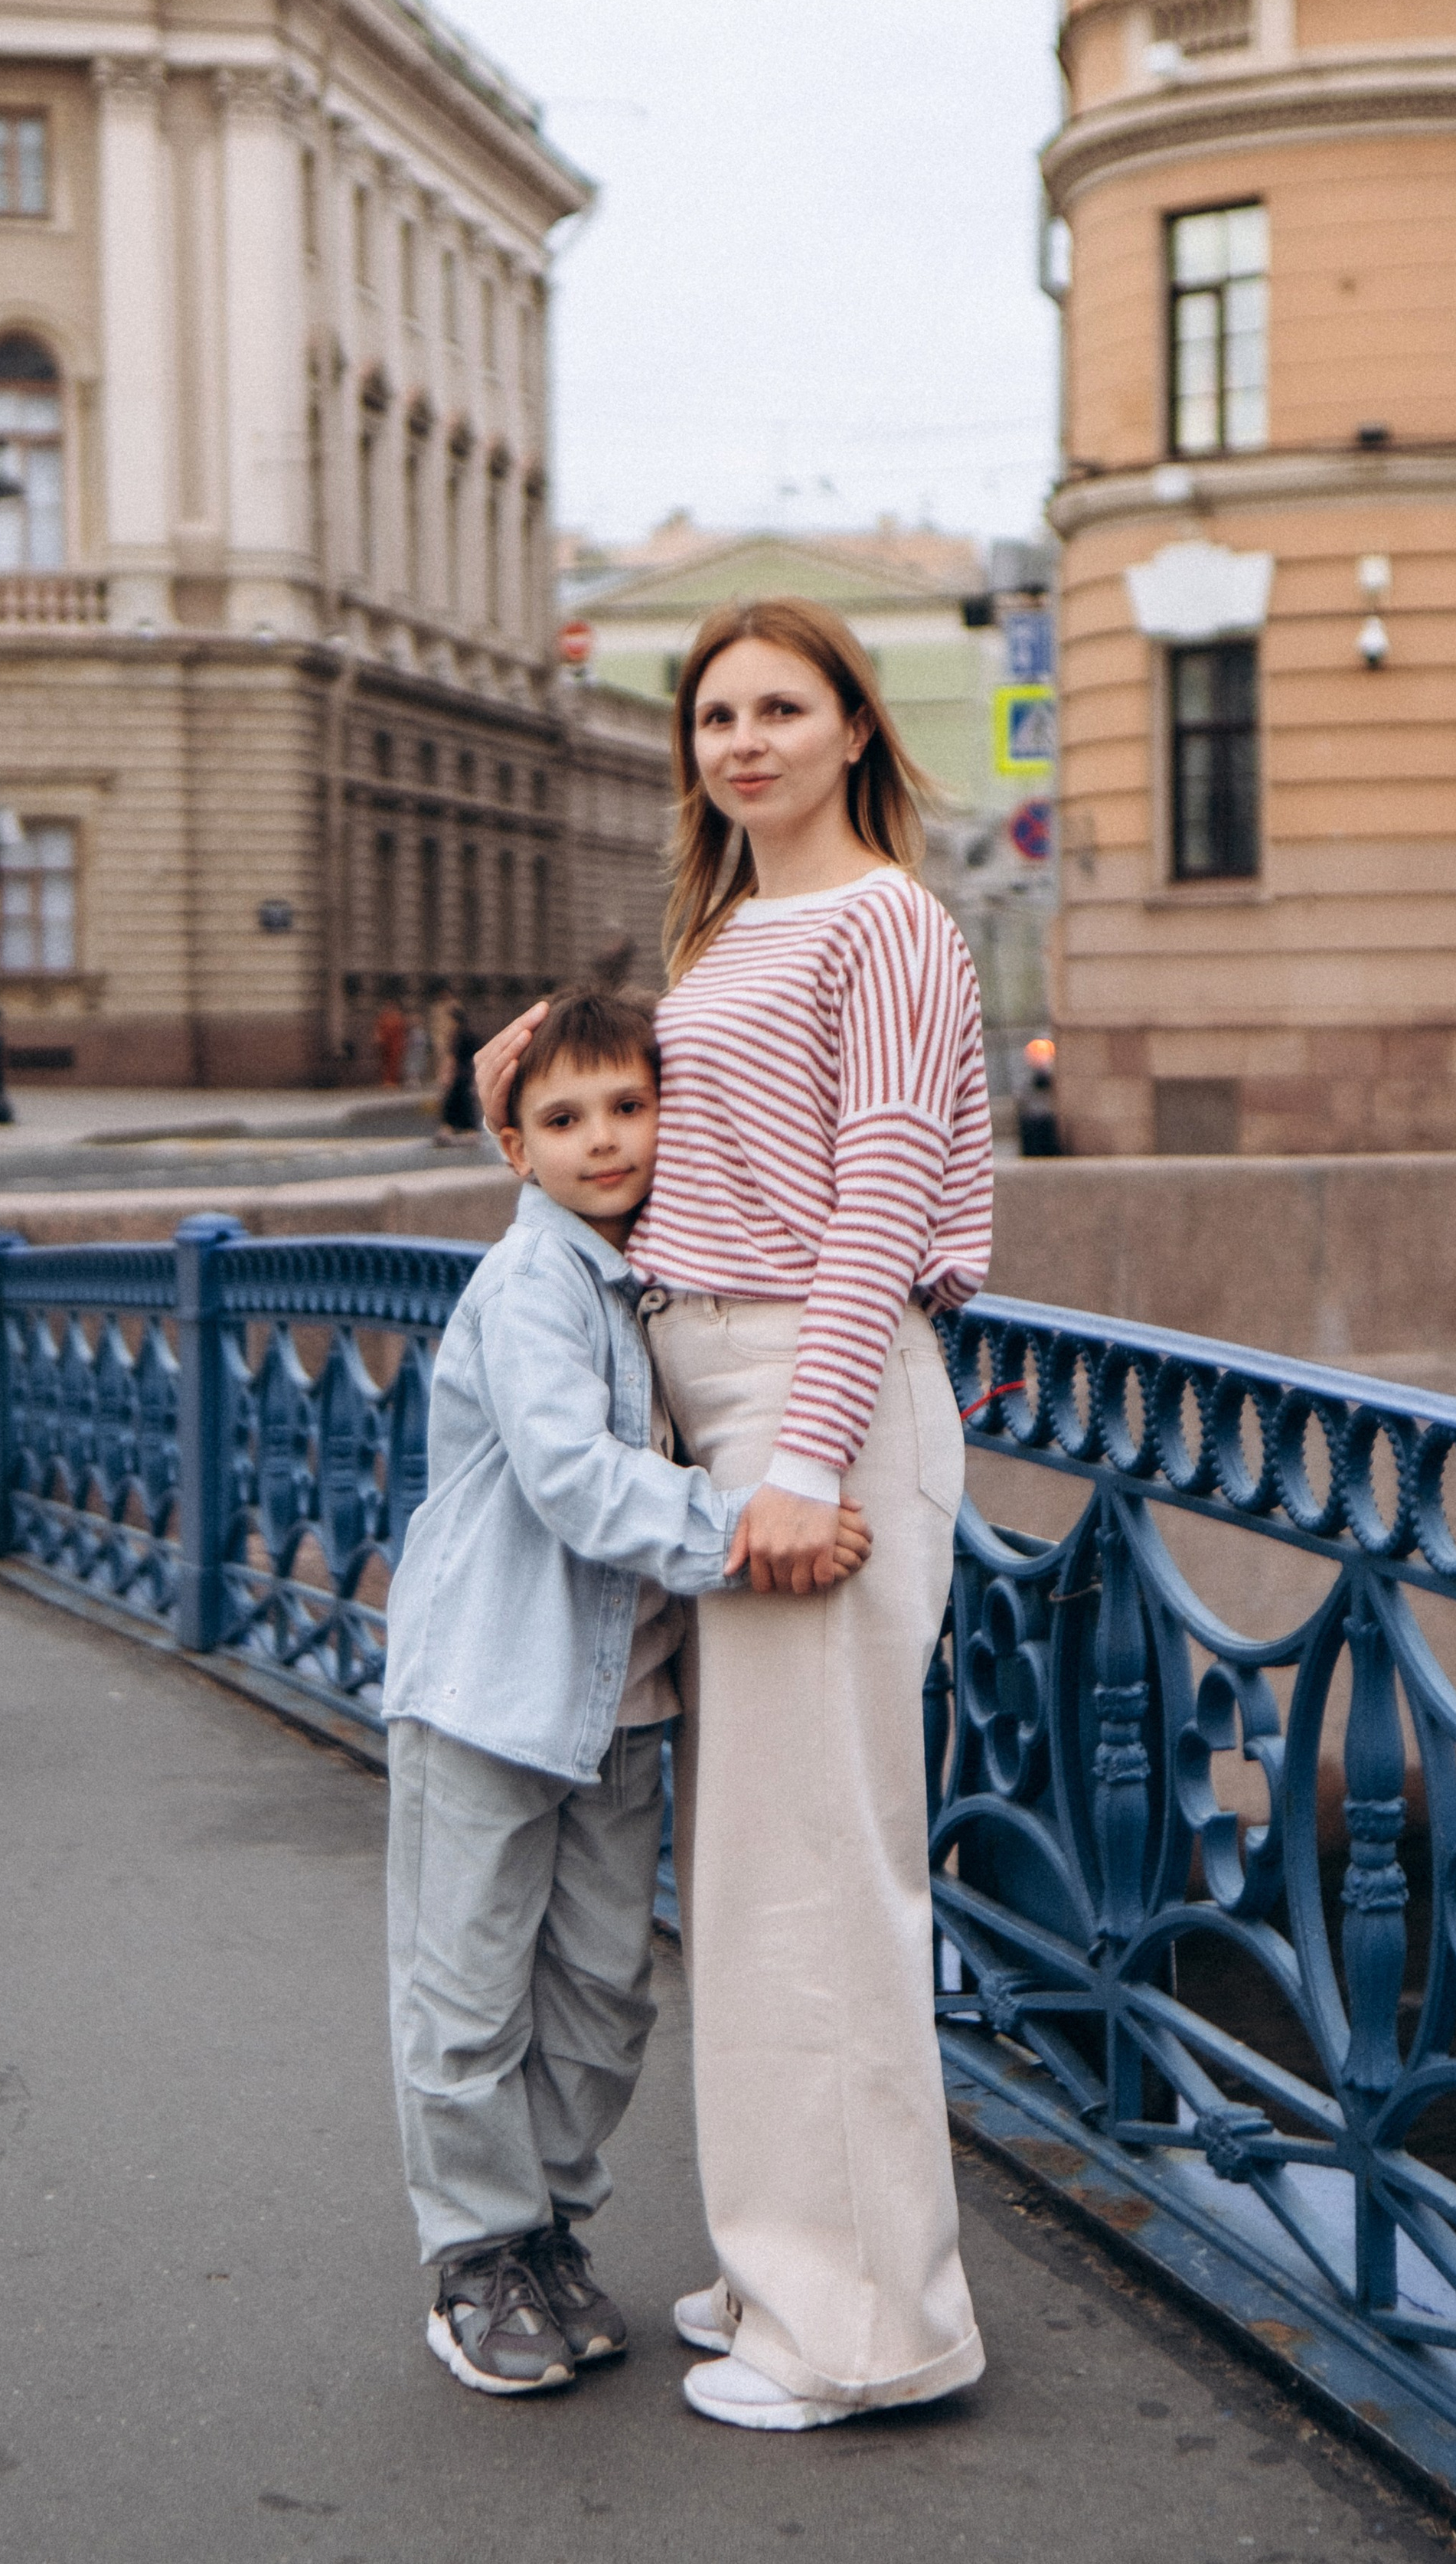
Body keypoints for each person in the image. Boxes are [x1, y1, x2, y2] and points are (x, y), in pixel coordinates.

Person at [477, 596, 992, 2435]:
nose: (742, 736)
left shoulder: (887, 918)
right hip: (724, 1404)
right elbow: (687, 1155)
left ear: (856, 726)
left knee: (818, 1883)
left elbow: (874, 1202)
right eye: (713, 711)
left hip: (802, 1404)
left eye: (782, 705)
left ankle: (859, 2330)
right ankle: (782, 2251)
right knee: (758, 1873)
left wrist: (799, 1459)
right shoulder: (730, 928)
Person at [381, 985, 871, 2399]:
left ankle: (547, 2232)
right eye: (562, 1118)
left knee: (602, 1991)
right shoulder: (532, 1285)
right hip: (489, 1690)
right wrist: (748, 1527)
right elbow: (572, 1480)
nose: (604, 1140)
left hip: (624, 1700)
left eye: (630, 1107)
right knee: (470, 1995)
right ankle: (475, 2263)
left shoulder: (654, 1259)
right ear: (513, 1147)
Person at [436, 990, 482, 1143]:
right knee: (462, 1102)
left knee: (453, 1103)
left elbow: (452, 1058)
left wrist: (446, 1075)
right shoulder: (470, 1034)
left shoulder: (458, 1036)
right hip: (467, 1074)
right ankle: (463, 1130)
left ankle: (451, 1130)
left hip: (459, 1074)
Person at [373, 990, 407, 1092]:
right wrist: (378, 1037)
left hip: (396, 1043)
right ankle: (386, 1080)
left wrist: (403, 1042)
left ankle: (393, 1081)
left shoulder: (399, 1017)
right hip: (385, 1043)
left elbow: (403, 1031)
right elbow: (378, 1029)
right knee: (385, 1062)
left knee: (395, 1062)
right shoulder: (383, 1017)